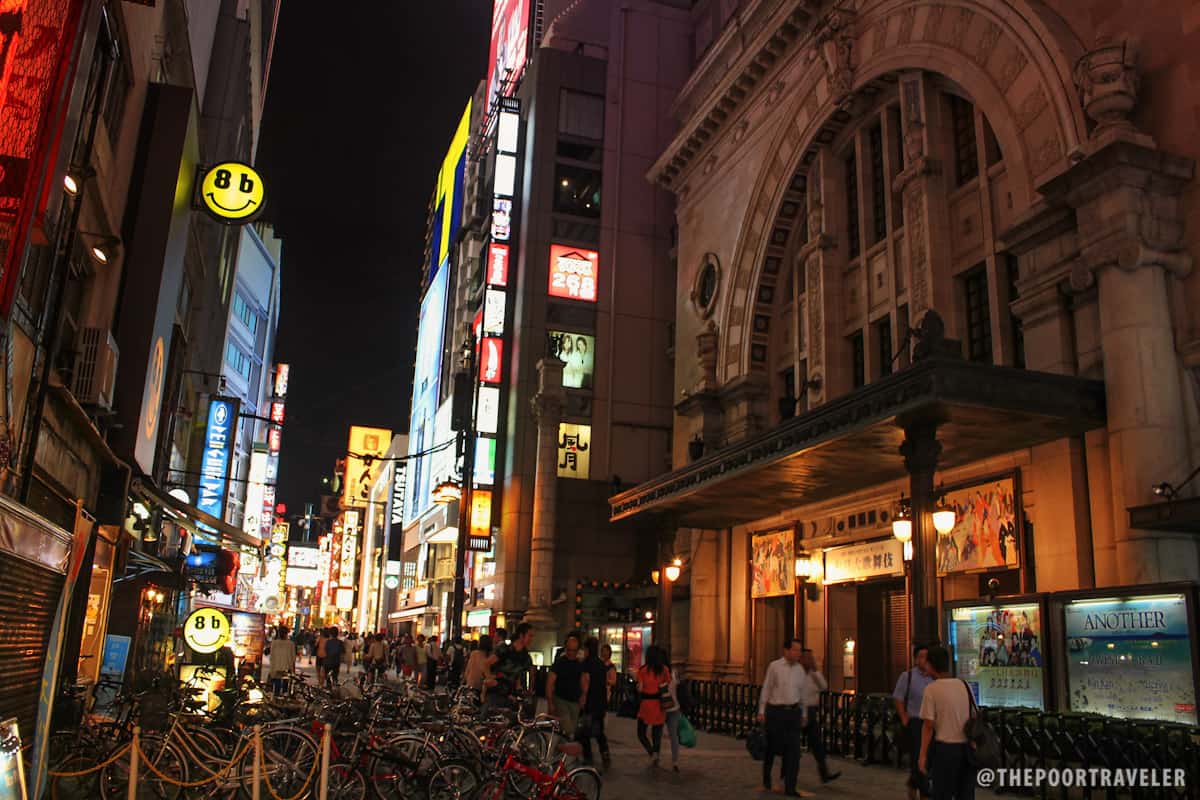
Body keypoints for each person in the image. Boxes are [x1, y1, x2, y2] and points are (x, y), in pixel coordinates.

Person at [918, 645, 975, 800]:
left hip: (945, 750)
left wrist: (922, 755)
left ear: (931, 664)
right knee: (966, 794)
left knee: (942, 793)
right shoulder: (964, 685)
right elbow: (974, 716)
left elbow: (928, 725)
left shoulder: (932, 689)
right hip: (967, 750)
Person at [756, 638, 808, 796]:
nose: (798, 653)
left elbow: (803, 693)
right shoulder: (774, 667)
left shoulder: (800, 670)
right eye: (795, 649)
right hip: (776, 713)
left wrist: (804, 713)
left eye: (799, 650)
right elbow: (767, 687)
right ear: (786, 651)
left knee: (793, 751)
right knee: (772, 748)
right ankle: (767, 777)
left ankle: (790, 786)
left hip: (793, 713)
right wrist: (762, 710)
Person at [894, 643, 934, 800]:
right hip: (916, 722)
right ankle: (925, 793)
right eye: (922, 656)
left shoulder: (934, 677)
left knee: (928, 758)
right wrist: (904, 716)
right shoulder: (907, 676)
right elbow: (898, 697)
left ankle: (912, 783)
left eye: (927, 656)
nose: (925, 660)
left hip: (931, 722)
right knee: (919, 757)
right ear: (916, 659)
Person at [800, 649, 839, 783]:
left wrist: (816, 671)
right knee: (791, 745)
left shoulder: (813, 674)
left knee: (817, 743)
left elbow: (824, 686)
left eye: (811, 658)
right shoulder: (797, 673)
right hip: (798, 711)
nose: (809, 660)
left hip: (811, 712)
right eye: (806, 657)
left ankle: (824, 772)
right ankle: (786, 772)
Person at [547, 632, 589, 738]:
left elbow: (583, 680)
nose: (571, 653)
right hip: (561, 699)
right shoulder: (559, 663)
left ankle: (560, 751)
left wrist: (584, 695)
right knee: (567, 729)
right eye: (569, 650)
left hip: (575, 701)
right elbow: (550, 682)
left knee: (570, 731)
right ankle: (564, 750)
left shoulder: (580, 664)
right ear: (565, 649)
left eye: (574, 650)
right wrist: (550, 702)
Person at [579, 637, 612, 769]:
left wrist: (583, 699)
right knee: (599, 731)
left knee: (584, 731)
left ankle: (588, 756)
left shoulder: (586, 663)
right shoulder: (600, 663)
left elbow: (585, 683)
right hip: (600, 702)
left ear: (587, 649)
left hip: (590, 703)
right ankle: (605, 753)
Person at [636, 645, 671, 766]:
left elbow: (640, 688)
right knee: (657, 733)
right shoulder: (664, 670)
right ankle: (656, 754)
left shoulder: (643, 670)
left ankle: (652, 753)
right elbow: (668, 685)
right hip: (660, 704)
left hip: (646, 704)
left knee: (641, 733)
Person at [488, 622, 534, 714]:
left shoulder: (526, 657)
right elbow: (486, 664)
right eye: (530, 636)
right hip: (497, 694)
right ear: (521, 635)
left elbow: (531, 674)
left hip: (512, 697)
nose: (531, 639)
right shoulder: (505, 649)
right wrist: (490, 678)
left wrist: (528, 690)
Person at [265, 626, 296, 695]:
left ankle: (276, 699)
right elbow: (293, 658)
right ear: (287, 634)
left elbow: (272, 656)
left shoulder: (274, 643)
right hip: (286, 668)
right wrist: (293, 669)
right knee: (285, 687)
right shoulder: (291, 644)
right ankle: (283, 698)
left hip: (276, 667)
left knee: (276, 686)